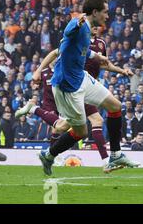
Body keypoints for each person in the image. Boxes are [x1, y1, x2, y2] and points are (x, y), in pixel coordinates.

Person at [36, 0, 137, 175]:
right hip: (68, 87)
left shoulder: (89, 31)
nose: (107, 16)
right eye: (105, 12)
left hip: (81, 77)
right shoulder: (79, 24)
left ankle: (115, 154)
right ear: (95, 12)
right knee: (81, 132)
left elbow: (82, 50)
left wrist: (97, 56)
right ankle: (48, 155)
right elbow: (68, 33)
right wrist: (77, 21)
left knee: (115, 106)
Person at [16, 20, 133, 170]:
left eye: (98, 26)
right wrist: (38, 70)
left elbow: (104, 64)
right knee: (96, 120)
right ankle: (107, 161)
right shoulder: (76, 38)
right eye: (94, 25)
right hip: (76, 87)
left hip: (89, 86)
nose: (97, 28)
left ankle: (46, 147)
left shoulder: (101, 44)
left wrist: (122, 71)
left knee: (65, 126)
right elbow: (55, 52)